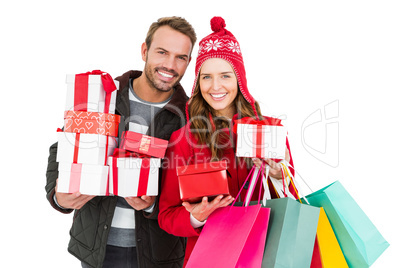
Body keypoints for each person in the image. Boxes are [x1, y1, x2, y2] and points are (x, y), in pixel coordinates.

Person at [45, 16, 197, 268]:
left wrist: (153, 206)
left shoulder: (192, 114)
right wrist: (58, 197)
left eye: (181, 57)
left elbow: (193, 189)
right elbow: (61, 147)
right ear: (144, 50)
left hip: (160, 254)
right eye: (162, 52)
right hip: (97, 248)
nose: (170, 64)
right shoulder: (103, 95)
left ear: (188, 62)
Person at [158, 16, 297, 266]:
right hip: (208, 257)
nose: (215, 86)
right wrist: (195, 218)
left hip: (264, 255)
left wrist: (279, 174)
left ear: (239, 80)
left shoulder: (270, 130)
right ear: (198, 83)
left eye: (225, 76)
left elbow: (291, 198)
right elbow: (167, 216)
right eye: (206, 77)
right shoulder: (183, 139)